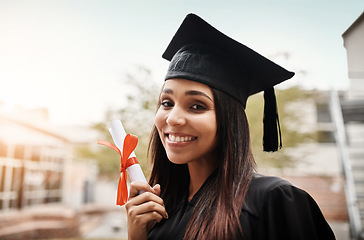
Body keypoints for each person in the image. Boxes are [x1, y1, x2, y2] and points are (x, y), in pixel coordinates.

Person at [125, 13, 336, 240]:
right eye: (167, 103)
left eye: (197, 106)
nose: (173, 118)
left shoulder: (273, 201)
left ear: (229, 120)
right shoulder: (162, 208)